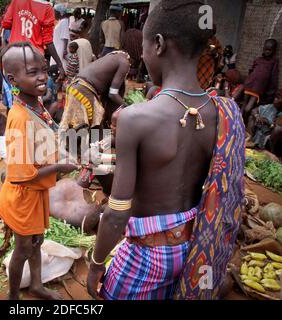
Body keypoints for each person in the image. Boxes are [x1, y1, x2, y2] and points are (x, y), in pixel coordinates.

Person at [86, 1, 245, 300]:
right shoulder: (221, 112)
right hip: (195, 251)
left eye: (144, 48)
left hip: (145, 258)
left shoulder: (136, 118)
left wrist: (96, 264)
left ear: (157, 44)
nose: (142, 57)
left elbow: (117, 213)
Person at [0, 42, 78, 300]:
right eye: (32, 72)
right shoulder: (19, 116)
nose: (42, 76)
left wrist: (67, 153)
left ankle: (36, 286)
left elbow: (44, 142)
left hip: (36, 193)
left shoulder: (36, 104)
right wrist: (61, 167)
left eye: (43, 69)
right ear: (13, 79)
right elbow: (22, 173)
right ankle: (12, 297)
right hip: (23, 197)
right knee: (23, 248)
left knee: (38, 242)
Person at [59, 51, 130, 132]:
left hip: (75, 85)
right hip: (83, 89)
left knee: (80, 125)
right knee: (93, 125)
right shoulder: (125, 62)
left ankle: (79, 143)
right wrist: (128, 107)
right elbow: (113, 93)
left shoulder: (112, 55)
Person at [1, 0, 66, 78]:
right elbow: (48, 41)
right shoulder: (47, 7)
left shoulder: (16, 1)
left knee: (12, 86)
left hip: (14, 52)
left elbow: (6, 23)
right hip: (34, 55)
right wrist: (60, 65)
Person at [233, 39, 279, 124]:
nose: (267, 52)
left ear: (274, 51)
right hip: (249, 84)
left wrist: (270, 95)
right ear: (263, 48)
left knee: (248, 108)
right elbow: (252, 70)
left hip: (258, 88)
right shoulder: (258, 59)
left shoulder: (274, 62)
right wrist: (249, 79)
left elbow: (273, 79)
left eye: (269, 50)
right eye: (265, 49)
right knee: (244, 104)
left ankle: (243, 122)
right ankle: (237, 121)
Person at [197, 24, 223, 90]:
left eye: (212, 32)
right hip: (197, 65)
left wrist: (215, 54)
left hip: (208, 67)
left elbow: (219, 54)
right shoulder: (199, 39)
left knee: (204, 85)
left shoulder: (215, 41)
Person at [50, 4, 70, 70]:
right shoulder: (61, 21)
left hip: (60, 48)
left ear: (60, 12)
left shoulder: (64, 21)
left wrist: (64, 50)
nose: (53, 13)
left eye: (55, 12)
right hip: (57, 46)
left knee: (58, 65)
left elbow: (65, 37)